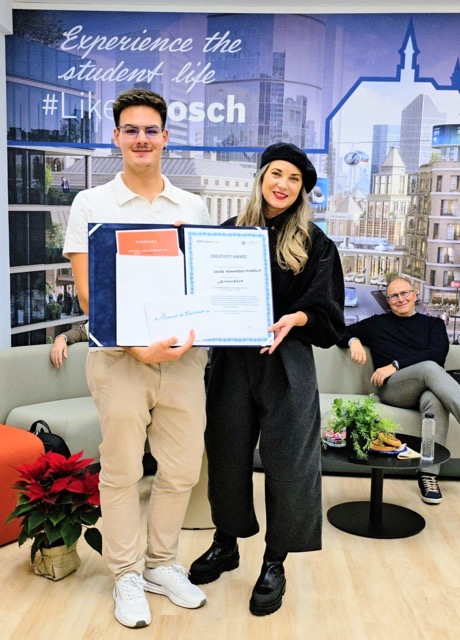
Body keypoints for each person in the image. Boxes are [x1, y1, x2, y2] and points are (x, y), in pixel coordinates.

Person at [63, 88, 211, 629]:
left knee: (182, 469)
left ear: (165, 137)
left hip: (183, 360)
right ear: (117, 137)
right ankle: (126, 573)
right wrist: (136, 346)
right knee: (123, 470)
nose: (141, 139)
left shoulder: (192, 207)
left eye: (151, 130)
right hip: (119, 359)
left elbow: (201, 285)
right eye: (131, 130)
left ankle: (161, 563)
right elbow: (89, 296)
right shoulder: (91, 204)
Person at [189, 142, 345, 616]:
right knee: (227, 453)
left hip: (287, 361)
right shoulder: (227, 235)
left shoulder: (316, 244)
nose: (283, 184)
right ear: (261, 178)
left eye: (294, 179)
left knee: (290, 464)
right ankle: (226, 543)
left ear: (302, 190)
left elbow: (328, 315)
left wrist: (295, 318)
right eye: (276, 173)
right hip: (232, 360)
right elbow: (199, 290)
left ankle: (275, 562)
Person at [336, 277, 460, 505]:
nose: (400, 299)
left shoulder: (433, 325)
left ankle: (428, 475)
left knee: (435, 400)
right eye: (393, 296)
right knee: (429, 368)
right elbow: (339, 332)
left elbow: (437, 355)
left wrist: (394, 365)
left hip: (426, 388)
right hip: (394, 390)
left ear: (415, 294)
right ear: (387, 301)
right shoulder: (377, 324)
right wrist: (353, 340)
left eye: (404, 293)